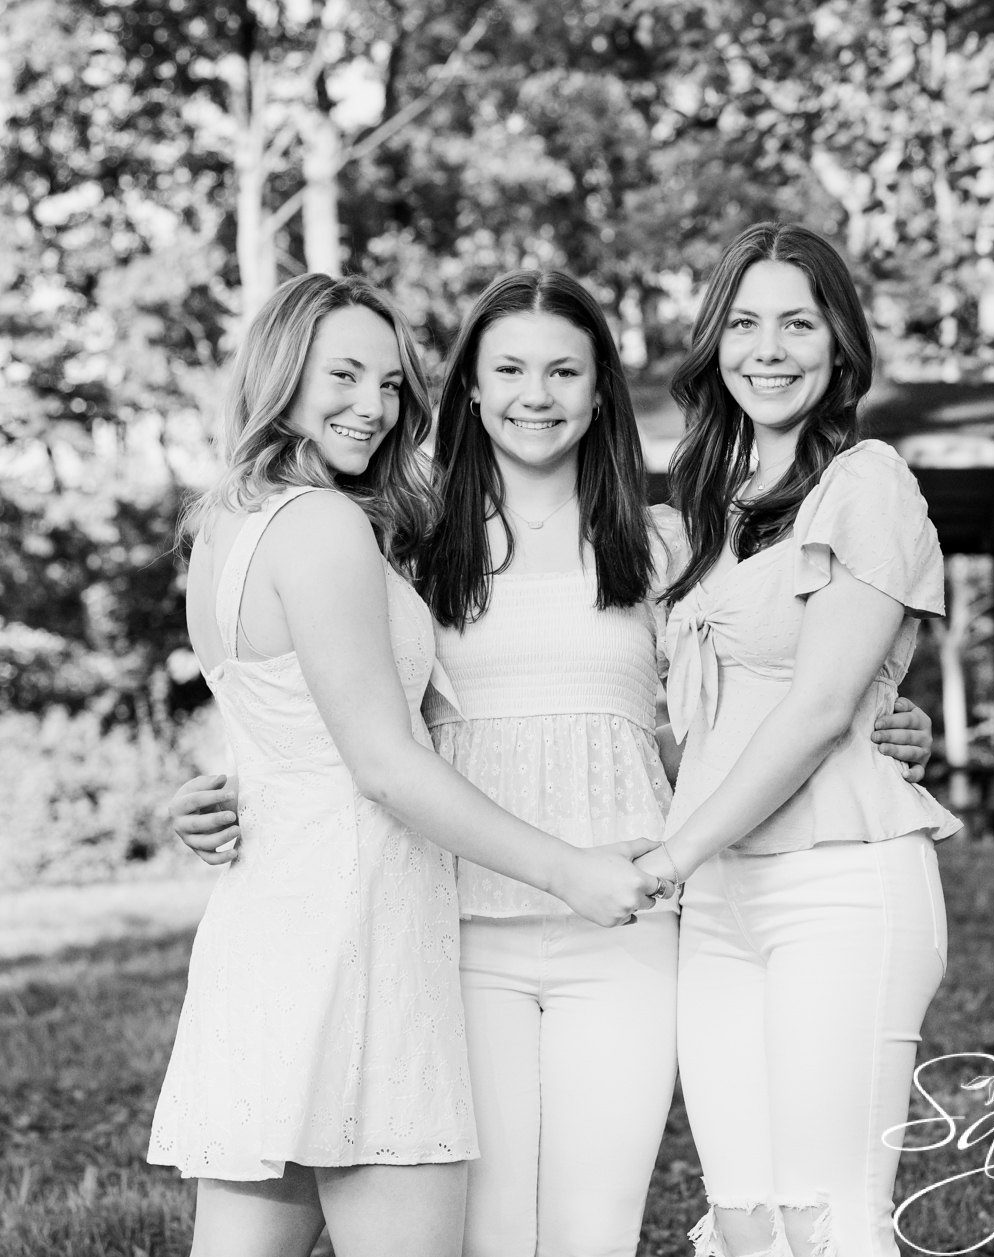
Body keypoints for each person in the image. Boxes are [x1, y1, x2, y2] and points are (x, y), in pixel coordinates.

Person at [167, 266, 938, 1257]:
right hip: (456, 927)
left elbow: (766, 679)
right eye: (509, 370)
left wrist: (885, 713)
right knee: (482, 1232)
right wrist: (208, 790)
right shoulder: (406, 544)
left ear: (599, 393)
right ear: (472, 392)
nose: (537, 394)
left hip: (623, 921)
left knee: (591, 1227)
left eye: (565, 371)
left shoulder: (666, 547)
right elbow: (318, 704)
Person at [145, 272, 663, 1257]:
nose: (373, 408)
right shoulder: (329, 527)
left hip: (266, 930)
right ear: (280, 373)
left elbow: (276, 715)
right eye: (342, 375)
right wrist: (573, 867)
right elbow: (381, 765)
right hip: (361, 926)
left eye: (388, 385)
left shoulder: (226, 527)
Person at [632, 222, 961, 1257]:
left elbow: (819, 709)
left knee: (830, 1225)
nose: (766, 350)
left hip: (839, 886)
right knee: (744, 1224)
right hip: (720, 899)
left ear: (837, 345)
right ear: (712, 344)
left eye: (795, 323)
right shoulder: (701, 515)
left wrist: (665, 859)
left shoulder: (866, 482)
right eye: (742, 323)